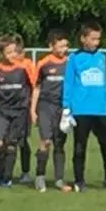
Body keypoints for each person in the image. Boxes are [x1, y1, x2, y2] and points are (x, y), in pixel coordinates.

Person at [62, 21, 106, 192]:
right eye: (92, 39)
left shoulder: (101, 57)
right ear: (83, 38)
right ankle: (79, 180)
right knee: (80, 146)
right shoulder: (74, 58)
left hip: (100, 109)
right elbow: (68, 83)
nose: (96, 42)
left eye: (98, 39)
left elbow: (104, 84)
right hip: (81, 110)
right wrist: (66, 108)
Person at [0, 36, 38, 189]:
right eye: (8, 52)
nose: (12, 55)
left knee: (11, 145)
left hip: (20, 113)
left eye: (14, 52)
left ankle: (7, 178)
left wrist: (33, 109)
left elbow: (35, 87)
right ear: (1, 54)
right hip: (3, 112)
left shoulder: (24, 68)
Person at [33, 31, 70, 193]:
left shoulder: (70, 63)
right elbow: (36, 87)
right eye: (60, 46)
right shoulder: (43, 63)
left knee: (59, 143)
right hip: (45, 106)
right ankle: (40, 176)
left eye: (66, 46)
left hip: (63, 108)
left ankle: (59, 179)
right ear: (51, 46)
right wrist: (32, 110)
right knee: (46, 141)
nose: (64, 49)